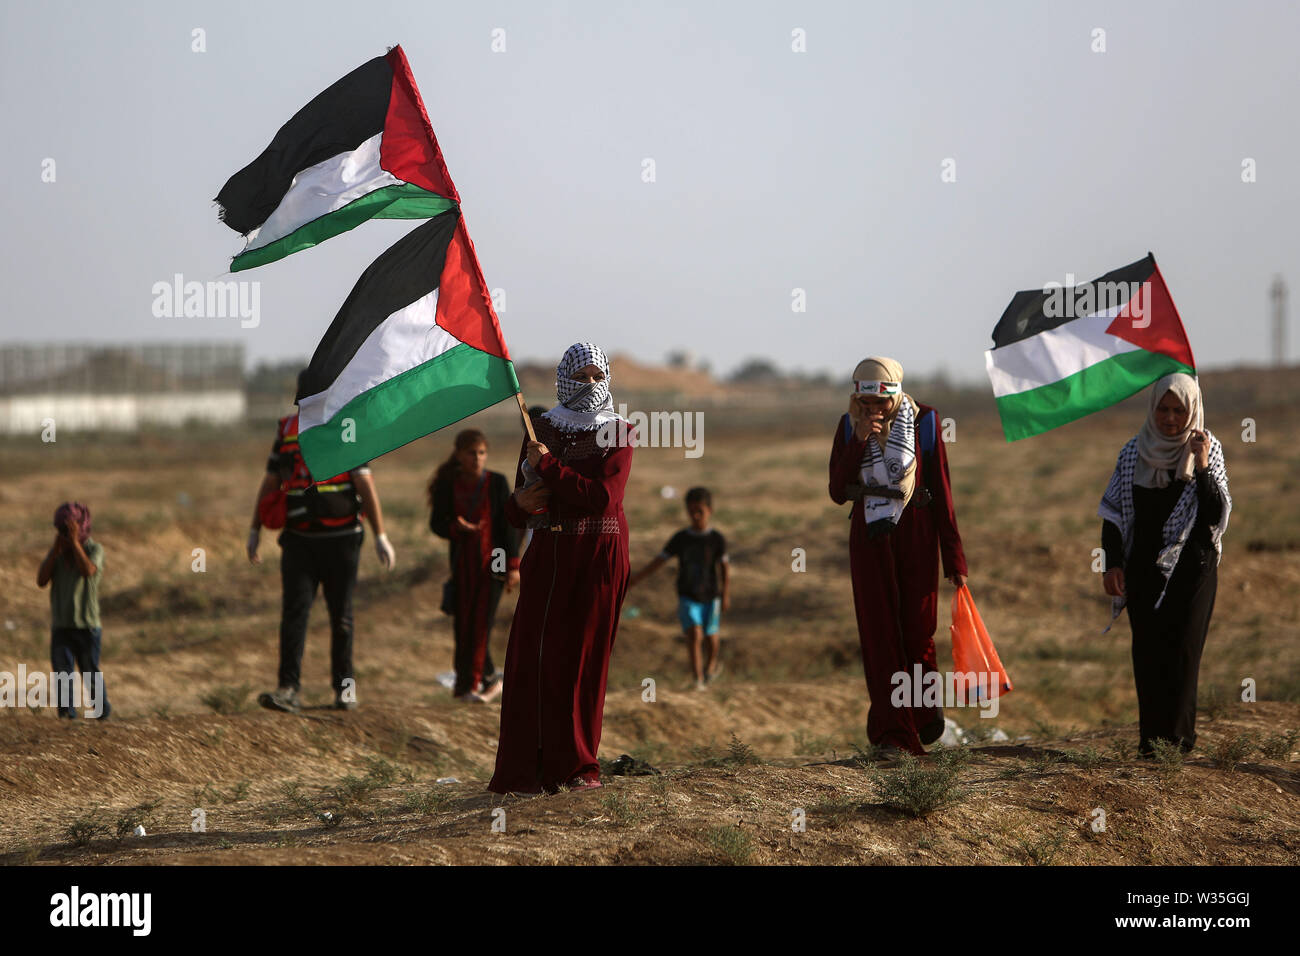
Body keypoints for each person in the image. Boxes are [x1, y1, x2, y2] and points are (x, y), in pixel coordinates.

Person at [488, 343, 634, 794]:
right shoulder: (542, 428)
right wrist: (519, 502)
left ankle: (576, 769)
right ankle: (526, 771)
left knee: (580, 663)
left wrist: (547, 467)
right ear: (563, 378)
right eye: (581, 376)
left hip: (596, 554)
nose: (589, 385)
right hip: (548, 555)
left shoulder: (619, 431)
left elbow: (601, 498)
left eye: (597, 376)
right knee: (530, 660)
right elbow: (518, 508)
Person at [828, 357, 967, 758]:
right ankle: (893, 734)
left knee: (918, 630)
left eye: (881, 402)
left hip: (916, 533)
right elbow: (838, 490)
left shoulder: (924, 421)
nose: (874, 410)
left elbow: (941, 487)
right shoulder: (847, 425)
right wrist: (858, 439)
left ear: (895, 393)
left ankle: (923, 712)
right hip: (870, 538)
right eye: (865, 401)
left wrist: (953, 557)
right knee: (879, 636)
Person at [1099, 372, 1230, 757]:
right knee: (1149, 653)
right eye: (1163, 408)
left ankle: (1178, 746)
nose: (1170, 418)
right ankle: (1151, 745)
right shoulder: (1132, 453)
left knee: (1183, 654)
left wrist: (1201, 465)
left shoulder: (1208, 448)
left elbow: (1213, 514)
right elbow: (1114, 515)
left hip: (1193, 569)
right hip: (1144, 569)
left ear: (1192, 411)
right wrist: (1112, 564)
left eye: (1178, 410)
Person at [248, 373, 396, 713]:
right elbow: (270, 481)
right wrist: (255, 529)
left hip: (342, 540)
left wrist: (381, 536)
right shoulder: (286, 430)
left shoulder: (346, 427)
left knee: (341, 616)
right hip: (298, 541)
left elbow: (365, 484)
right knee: (294, 614)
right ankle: (288, 689)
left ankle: (344, 689)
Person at [428, 428, 521, 702]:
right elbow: (436, 524)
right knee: (464, 625)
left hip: (493, 566)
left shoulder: (496, 483)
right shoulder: (448, 485)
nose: (477, 458)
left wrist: (513, 566)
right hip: (461, 566)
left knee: (481, 624)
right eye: (471, 453)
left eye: (481, 453)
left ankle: (480, 683)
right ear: (458, 454)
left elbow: (509, 527)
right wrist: (455, 528)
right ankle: (472, 684)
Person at [628, 486, 730, 690]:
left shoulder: (716, 539)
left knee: (711, 635)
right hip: (687, 594)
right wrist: (636, 579)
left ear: (710, 510)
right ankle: (697, 679)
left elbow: (724, 568)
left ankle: (710, 666)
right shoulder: (681, 538)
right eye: (691, 511)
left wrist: (725, 594)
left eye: (699, 511)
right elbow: (660, 560)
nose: (695, 516)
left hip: (711, 595)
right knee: (694, 634)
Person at [36, 502, 110, 719]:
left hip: (86, 624)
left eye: (69, 528)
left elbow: (88, 570)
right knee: (63, 674)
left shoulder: (94, 549)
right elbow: (41, 580)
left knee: (90, 672)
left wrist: (75, 543)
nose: (66, 533)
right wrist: (55, 549)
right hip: (61, 625)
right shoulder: (58, 554)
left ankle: (101, 714)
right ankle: (67, 717)